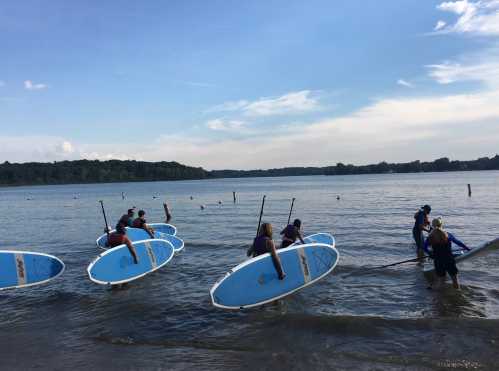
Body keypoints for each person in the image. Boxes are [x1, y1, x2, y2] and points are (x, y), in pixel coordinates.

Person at [424, 217, 470, 289]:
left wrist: (430, 254)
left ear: (432, 226)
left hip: (438, 260)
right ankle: (458, 296)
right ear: (441, 224)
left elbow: (424, 248)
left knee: (441, 281)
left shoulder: (430, 236)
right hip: (449, 260)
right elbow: (458, 243)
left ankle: (437, 296)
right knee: (455, 280)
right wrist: (467, 249)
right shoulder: (447, 234)